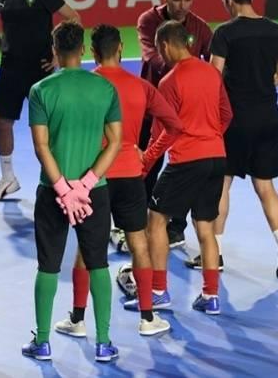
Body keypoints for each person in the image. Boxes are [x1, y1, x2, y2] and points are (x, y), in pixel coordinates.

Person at [52, 25, 180, 338]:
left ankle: (78, 319)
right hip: (132, 177)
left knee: (86, 247)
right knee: (138, 243)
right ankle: (148, 318)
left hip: (94, 178)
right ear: (121, 48)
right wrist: (146, 158)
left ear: (92, 52)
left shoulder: (85, 85)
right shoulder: (141, 86)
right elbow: (174, 126)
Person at [22, 22, 122, 364]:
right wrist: (86, 185)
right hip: (95, 194)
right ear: (82, 49)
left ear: (55, 50)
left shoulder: (40, 90)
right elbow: (116, 142)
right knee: (98, 264)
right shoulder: (105, 88)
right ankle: (104, 342)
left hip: (53, 192)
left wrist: (64, 188)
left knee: (48, 266)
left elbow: (41, 146)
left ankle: (43, 342)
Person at [142, 21, 233, 316]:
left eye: (160, 49)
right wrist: (210, 136)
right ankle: (211, 296)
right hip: (216, 157)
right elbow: (226, 114)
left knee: (156, 219)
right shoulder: (211, 72)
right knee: (205, 227)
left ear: (167, 45)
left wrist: (145, 162)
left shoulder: (169, 81)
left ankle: (157, 291)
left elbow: (166, 131)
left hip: (186, 161)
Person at [208, 0, 278, 278]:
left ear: (229, 0)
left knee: (223, 183)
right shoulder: (275, 30)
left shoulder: (224, 33)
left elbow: (212, 77)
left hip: (235, 120)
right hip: (268, 117)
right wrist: (259, 83)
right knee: (266, 186)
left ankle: (214, 253)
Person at [0, 0, 79, 201]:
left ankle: (57, 178)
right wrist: (0, 45)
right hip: (11, 68)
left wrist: (58, 55)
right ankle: (8, 178)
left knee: (50, 125)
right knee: (3, 122)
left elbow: (73, 17)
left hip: (40, 69)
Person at [136, 0, 213, 248]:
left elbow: (214, 66)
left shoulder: (201, 28)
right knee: (146, 165)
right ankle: (139, 222)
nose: (182, 6)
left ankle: (175, 229)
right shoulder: (148, 21)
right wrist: (189, 70)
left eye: (188, 0)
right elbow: (152, 58)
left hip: (187, 113)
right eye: (176, 0)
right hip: (152, 109)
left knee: (184, 169)